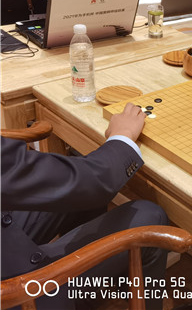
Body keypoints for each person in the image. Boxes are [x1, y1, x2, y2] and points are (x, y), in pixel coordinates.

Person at [1, 103, 168, 309]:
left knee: (79, 191)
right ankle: (69, 293)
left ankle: (90, 289)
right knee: (150, 217)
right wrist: (123, 136)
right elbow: (93, 182)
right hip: (16, 296)